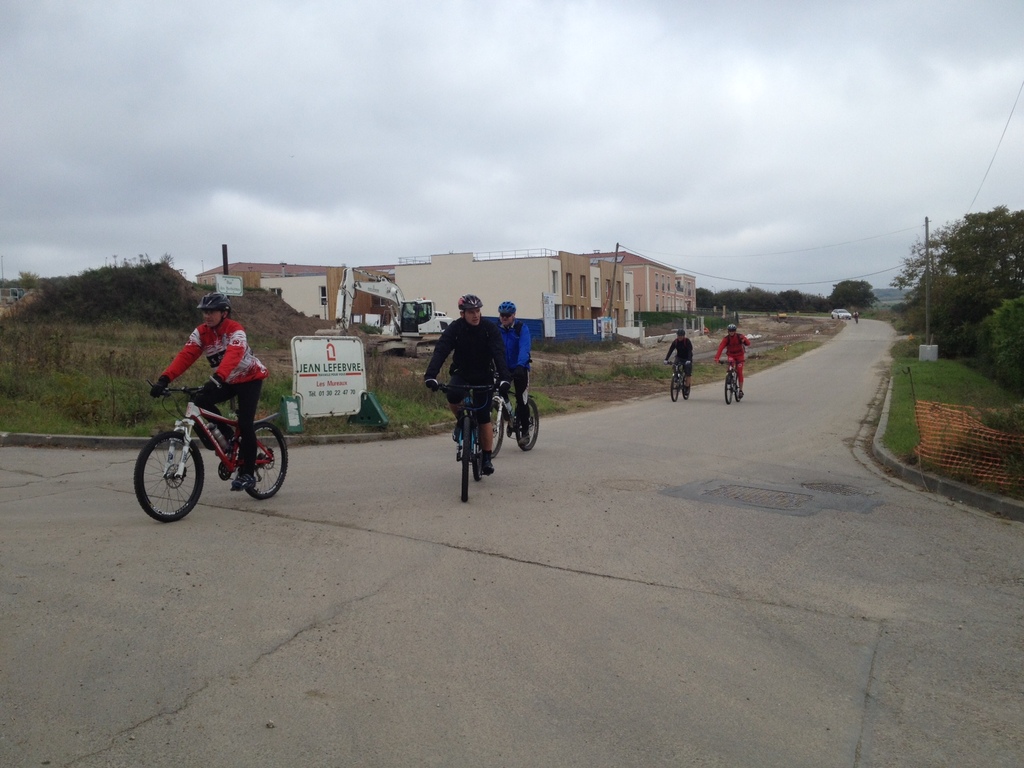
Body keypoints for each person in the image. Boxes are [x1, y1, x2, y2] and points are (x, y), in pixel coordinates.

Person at [149, 292, 268, 491]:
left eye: (212, 311)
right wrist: (164, 379)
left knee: (245, 423)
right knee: (199, 400)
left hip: (249, 379)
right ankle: (228, 438)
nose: (207, 315)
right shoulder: (202, 333)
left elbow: (233, 355)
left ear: (224, 313)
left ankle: (248, 473)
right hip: (227, 380)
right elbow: (186, 355)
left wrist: (218, 377)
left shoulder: (235, 330)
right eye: (205, 311)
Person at [424, 294, 511, 476]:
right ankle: (461, 421)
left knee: (483, 416)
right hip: (462, 373)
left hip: (484, 375)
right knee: (452, 395)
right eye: (471, 312)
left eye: (478, 311)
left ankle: (486, 458)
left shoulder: (489, 329)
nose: (475, 315)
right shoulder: (456, 328)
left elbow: (498, 353)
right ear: (462, 314)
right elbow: (441, 350)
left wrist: (504, 378)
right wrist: (430, 375)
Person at [496, 300, 533, 446]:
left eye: (507, 315)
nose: (504, 318)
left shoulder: (521, 328)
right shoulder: (496, 329)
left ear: (514, 315)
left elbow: (524, 348)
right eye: (502, 315)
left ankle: (525, 431)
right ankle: (510, 419)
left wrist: (520, 366)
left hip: (520, 367)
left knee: (521, 398)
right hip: (503, 368)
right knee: (499, 392)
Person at [714, 323, 751, 396]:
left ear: (735, 331)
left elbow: (748, 343)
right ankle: (729, 377)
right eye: (730, 331)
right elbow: (721, 348)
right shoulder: (726, 339)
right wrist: (717, 358)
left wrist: (744, 341)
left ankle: (740, 390)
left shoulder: (740, 336)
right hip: (731, 355)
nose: (731, 332)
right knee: (730, 365)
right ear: (728, 331)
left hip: (740, 356)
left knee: (739, 372)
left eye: (733, 331)